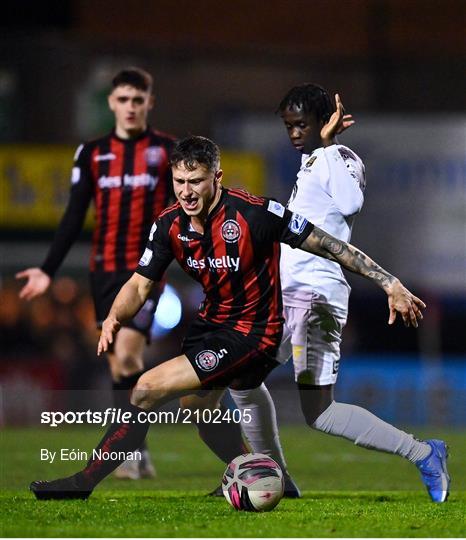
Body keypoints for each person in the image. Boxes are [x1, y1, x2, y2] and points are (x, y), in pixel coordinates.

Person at [29, 135, 444, 503]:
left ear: (217, 177)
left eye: (196, 181)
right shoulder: (169, 225)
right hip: (212, 328)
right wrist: (112, 321)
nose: (187, 192)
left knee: (144, 389)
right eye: (179, 182)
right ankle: (264, 476)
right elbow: (139, 285)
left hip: (254, 333)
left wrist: (389, 283)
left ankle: (83, 483)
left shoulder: (256, 213)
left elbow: (332, 246)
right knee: (201, 413)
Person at [15, 68, 248, 482]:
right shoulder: (91, 153)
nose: (130, 107)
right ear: (111, 103)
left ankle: (133, 452)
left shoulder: (165, 151)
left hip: (145, 269)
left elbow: (192, 203)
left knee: (127, 354)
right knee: (119, 367)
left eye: (138, 100)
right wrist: (49, 270)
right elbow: (74, 214)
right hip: (103, 270)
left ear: (149, 103)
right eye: (123, 100)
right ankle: (135, 448)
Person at [274, 83, 447, 503]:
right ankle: (270, 474)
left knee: (318, 412)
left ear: (322, 122)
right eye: (288, 126)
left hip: (314, 296)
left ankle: (424, 453)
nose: (295, 133)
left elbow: (350, 203)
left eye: (302, 124)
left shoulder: (338, 158)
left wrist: (332, 148)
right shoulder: (311, 162)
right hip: (288, 292)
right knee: (243, 379)